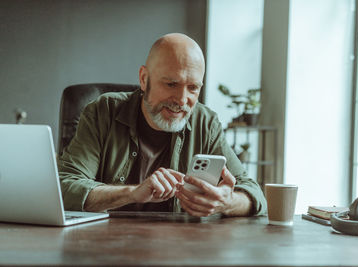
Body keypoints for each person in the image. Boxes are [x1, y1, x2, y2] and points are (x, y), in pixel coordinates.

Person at [58, 33, 267, 217]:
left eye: (193, 88)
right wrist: (133, 193)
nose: (182, 100)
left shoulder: (206, 122)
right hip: (105, 247)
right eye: (171, 84)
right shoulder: (102, 112)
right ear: (144, 78)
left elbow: (254, 194)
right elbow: (63, 187)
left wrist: (227, 203)